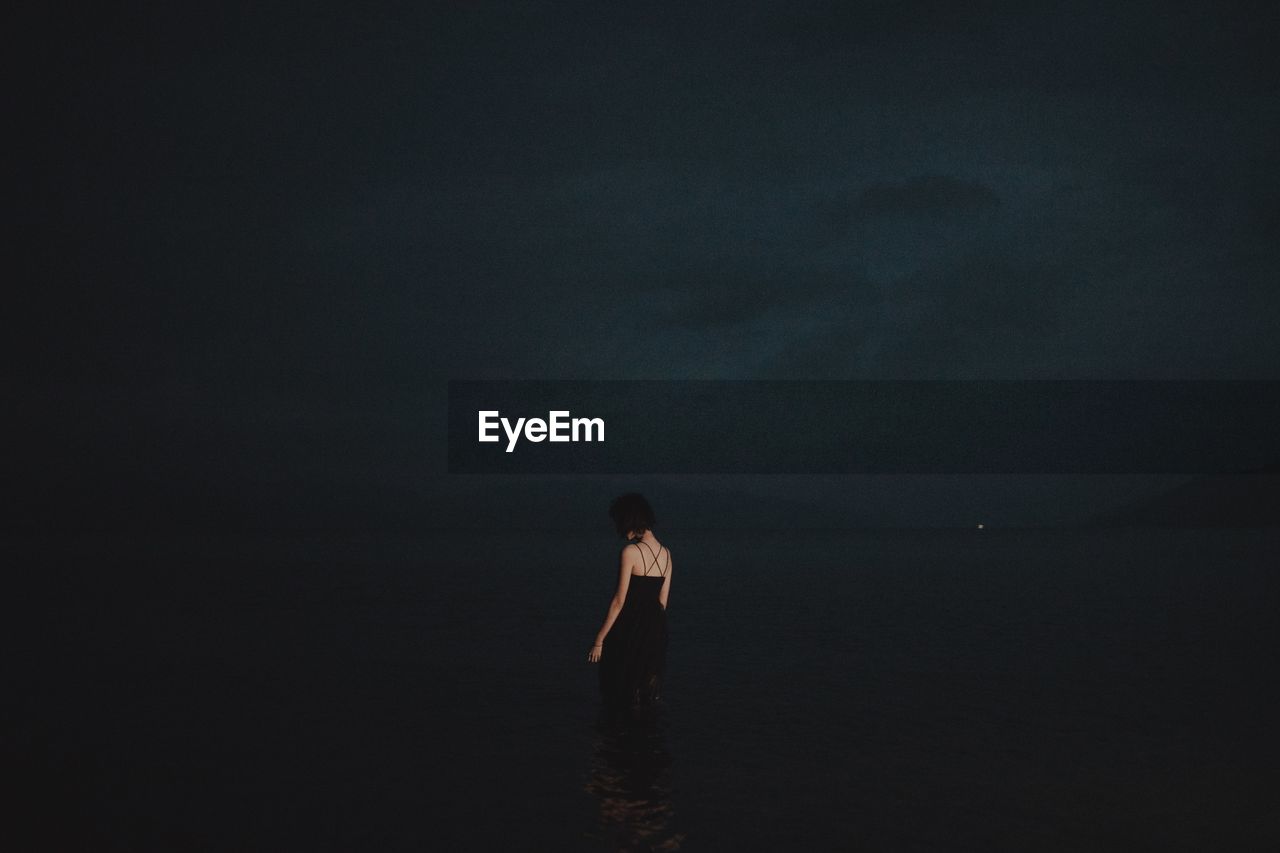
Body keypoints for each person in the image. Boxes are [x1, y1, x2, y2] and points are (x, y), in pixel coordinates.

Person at [588, 493, 671, 708]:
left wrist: (599, 640)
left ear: (630, 521)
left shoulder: (630, 552)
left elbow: (619, 601)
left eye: (620, 523)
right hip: (655, 630)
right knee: (645, 692)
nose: (619, 530)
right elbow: (662, 603)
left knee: (618, 688)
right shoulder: (667, 554)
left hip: (628, 628)